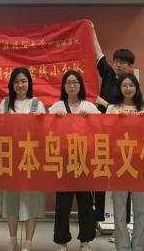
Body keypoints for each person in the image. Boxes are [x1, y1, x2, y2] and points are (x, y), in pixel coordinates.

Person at [91, 23, 136, 232]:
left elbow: (129, 110)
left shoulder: (131, 85)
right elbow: (98, 53)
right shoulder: (108, 74)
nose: (118, 65)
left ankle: (123, 223)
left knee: (122, 179)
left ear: (130, 66)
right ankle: (98, 217)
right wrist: (91, 30)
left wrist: (104, 103)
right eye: (116, 61)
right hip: (102, 134)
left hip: (122, 139)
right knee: (100, 174)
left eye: (123, 62)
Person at [49, 71, 100, 251]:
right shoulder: (56, 107)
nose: (72, 86)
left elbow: (101, 129)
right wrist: (55, 120)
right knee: (63, 203)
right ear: (64, 86)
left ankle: (85, 240)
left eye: (75, 82)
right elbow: (46, 130)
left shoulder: (89, 106)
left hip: (85, 160)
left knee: (85, 202)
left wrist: (91, 120)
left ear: (80, 85)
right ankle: (61, 240)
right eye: (69, 83)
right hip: (64, 161)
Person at [0, 67, 46, 251]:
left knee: (31, 200)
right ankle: (12, 241)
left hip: (31, 159)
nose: (20, 85)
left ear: (29, 83)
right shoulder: (4, 103)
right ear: (12, 84)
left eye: (23, 81)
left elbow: (45, 131)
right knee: (11, 200)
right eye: (17, 81)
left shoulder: (37, 104)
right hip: (10, 159)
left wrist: (42, 120)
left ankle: (28, 242)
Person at [107, 73, 144, 251]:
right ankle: (123, 246)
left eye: (131, 85)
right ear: (119, 88)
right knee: (119, 209)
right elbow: (105, 134)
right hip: (119, 163)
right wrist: (117, 121)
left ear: (136, 88)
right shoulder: (112, 108)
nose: (128, 88)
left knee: (140, 209)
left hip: (140, 163)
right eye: (124, 85)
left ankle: (138, 246)